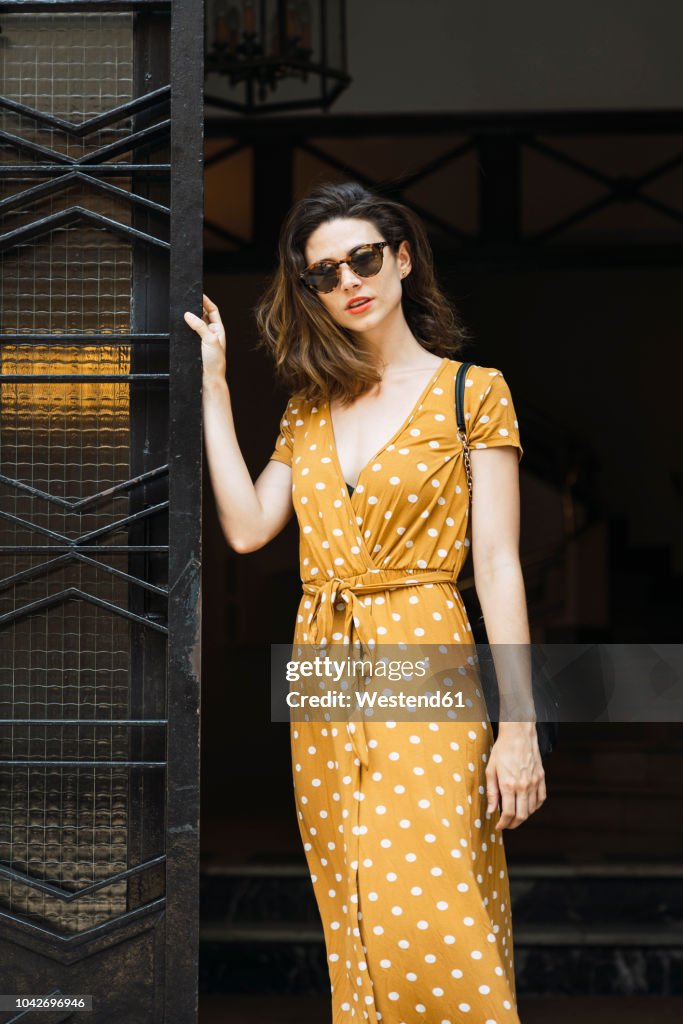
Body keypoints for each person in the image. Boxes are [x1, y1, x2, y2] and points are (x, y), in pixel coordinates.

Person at [184, 181, 546, 1024]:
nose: (348, 279)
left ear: (402, 258)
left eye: (363, 258)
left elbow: (495, 562)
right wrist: (214, 386)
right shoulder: (309, 409)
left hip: (424, 642)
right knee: (349, 894)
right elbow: (245, 528)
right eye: (323, 272)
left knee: (431, 892)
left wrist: (519, 727)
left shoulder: (472, 391)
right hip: (323, 661)